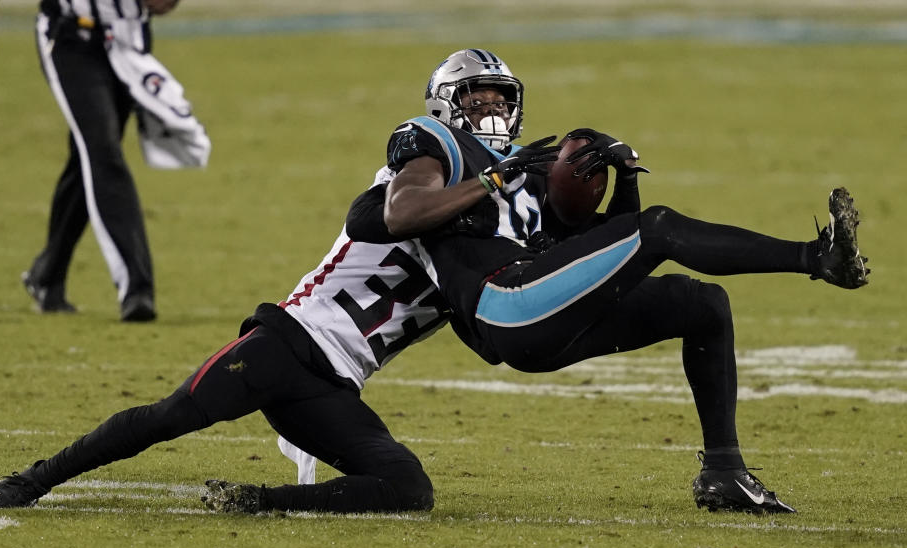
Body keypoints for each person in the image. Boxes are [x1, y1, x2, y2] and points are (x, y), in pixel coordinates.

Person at [342, 48, 870, 514]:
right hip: (503, 304)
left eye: (501, 102)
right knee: (659, 228)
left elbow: (595, 256)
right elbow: (386, 215)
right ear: (445, 106)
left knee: (701, 304)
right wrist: (495, 178)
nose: (493, 111)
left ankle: (725, 472)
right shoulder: (436, 146)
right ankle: (818, 258)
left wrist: (620, 183)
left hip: (541, 307)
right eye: (477, 102)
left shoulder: (525, 169)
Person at [0, 183, 450, 513]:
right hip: (284, 345)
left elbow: (494, 339)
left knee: (408, 487)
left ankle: (259, 500)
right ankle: (34, 479)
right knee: (170, 416)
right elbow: (371, 216)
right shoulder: (404, 191)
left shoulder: (474, 253)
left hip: (333, 388)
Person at [0, 0, 211, 321]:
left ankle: (47, 275)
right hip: (69, 36)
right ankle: (136, 288)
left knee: (88, 157)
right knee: (102, 152)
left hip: (128, 41)